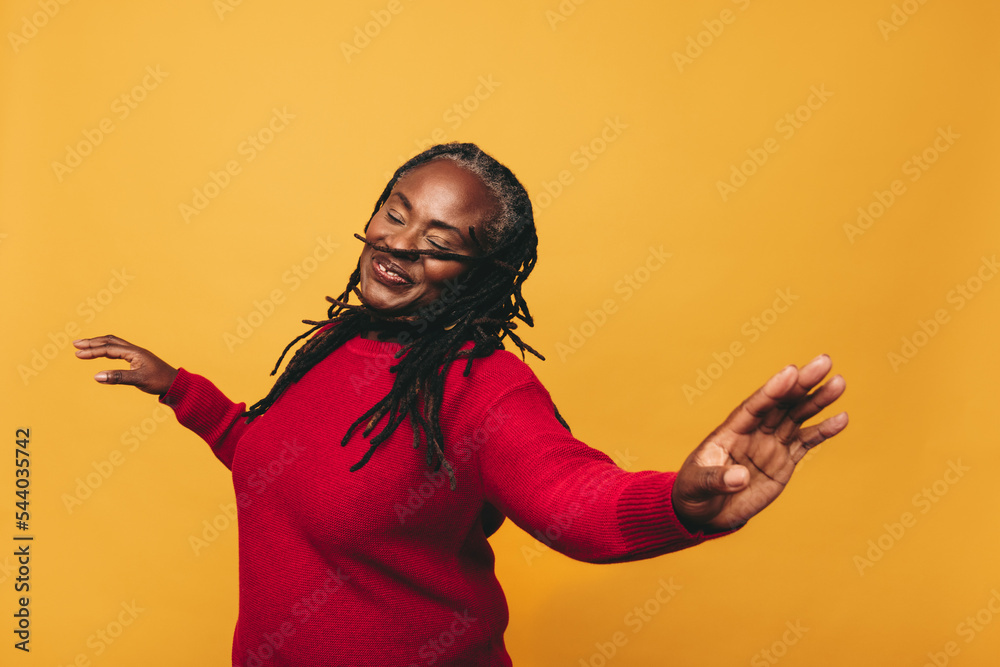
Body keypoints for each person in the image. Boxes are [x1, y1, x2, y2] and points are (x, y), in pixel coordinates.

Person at [74, 142, 848, 667]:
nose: (402, 242)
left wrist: (682, 501)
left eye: (442, 240)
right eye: (397, 210)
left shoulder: (482, 385)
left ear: (479, 273)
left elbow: (570, 496)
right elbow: (272, 458)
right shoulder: (339, 338)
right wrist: (179, 388)